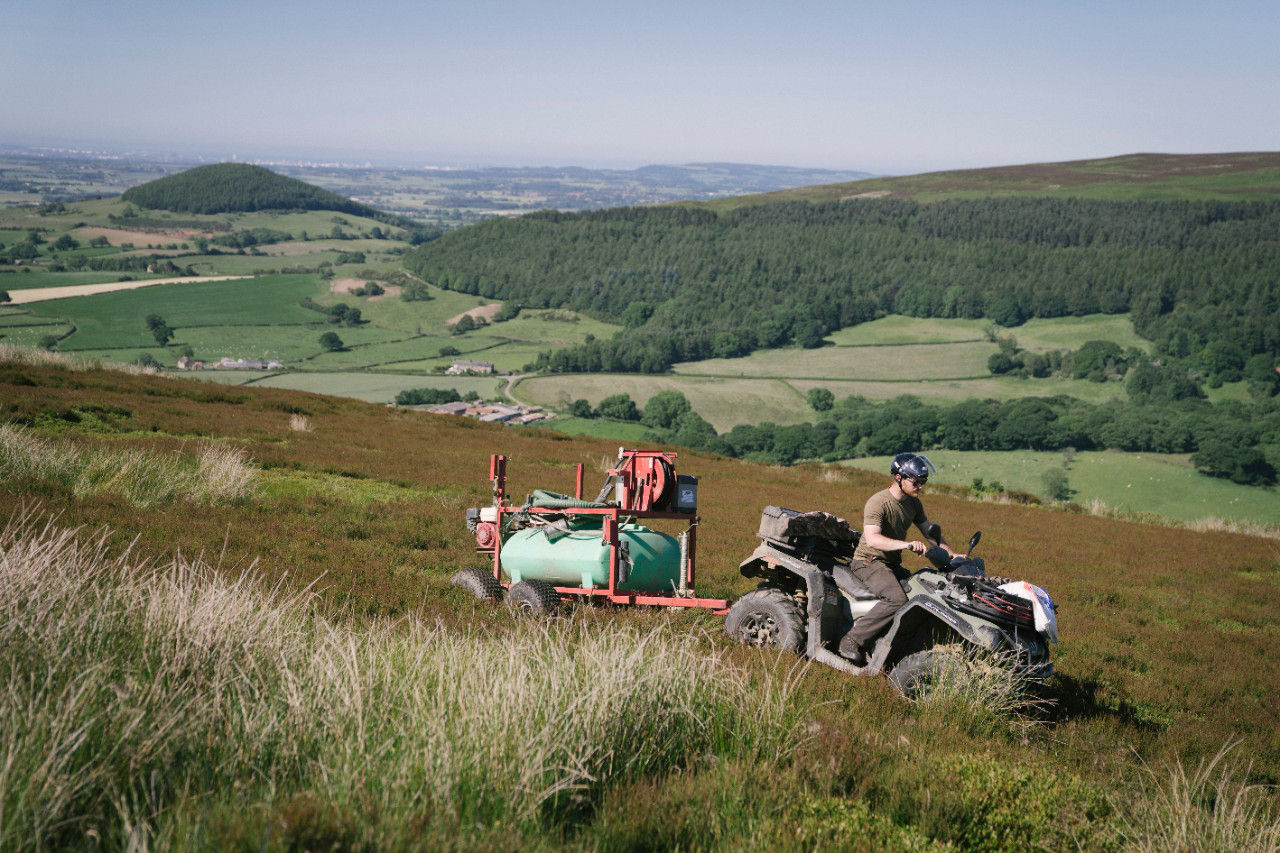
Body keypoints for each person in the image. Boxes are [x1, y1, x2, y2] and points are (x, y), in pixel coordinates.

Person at [838, 452, 957, 665]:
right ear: (899, 478)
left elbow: (929, 531)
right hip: (868, 561)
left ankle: (893, 645)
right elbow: (873, 540)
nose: (920, 487)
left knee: (922, 591)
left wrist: (952, 554)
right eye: (916, 482)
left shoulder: (913, 503)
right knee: (896, 600)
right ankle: (851, 640)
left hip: (892, 564)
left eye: (923, 482)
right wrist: (907, 544)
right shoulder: (878, 502)